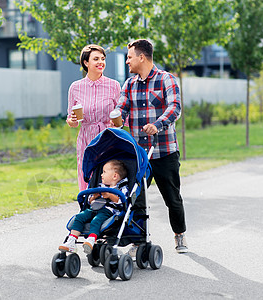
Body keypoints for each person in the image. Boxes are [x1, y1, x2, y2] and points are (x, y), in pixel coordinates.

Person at [114, 39, 188, 253]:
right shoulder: (128, 85)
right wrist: (116, 119)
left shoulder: (167, 79)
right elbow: (122, 109)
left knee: (172, 199)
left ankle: (179, 234)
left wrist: (157, 125)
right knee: (135, 198)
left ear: (141, 57)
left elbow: (175, 108)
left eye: (129, 57)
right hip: (139, 155)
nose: (127, 61)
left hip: (164, 151)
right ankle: (138, 240)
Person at [66, 44, 121, 191]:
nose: (100, 62)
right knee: (86, 175)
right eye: (96, 59)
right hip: (86, 139)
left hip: (108, 137)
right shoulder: (75, 87)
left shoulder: (114, 86)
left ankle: (109, 208)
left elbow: (121, 114)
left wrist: (117, 122)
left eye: (102, 59)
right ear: (86, 62)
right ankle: (87, 207)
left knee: (108, 174)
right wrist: (72, 121)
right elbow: (72, 121)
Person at [59, 160, 129, 254]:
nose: (101, 175)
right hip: (94, 208)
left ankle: (91, 239)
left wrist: (109, 195)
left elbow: (121, 200)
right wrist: (94, 196)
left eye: (104, 172)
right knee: (80, 217)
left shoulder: (122, 187)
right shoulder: (101, 186)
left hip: (108, 211)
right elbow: (90, 201)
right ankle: (71, 241)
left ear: (115, 176)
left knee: (96, 220)